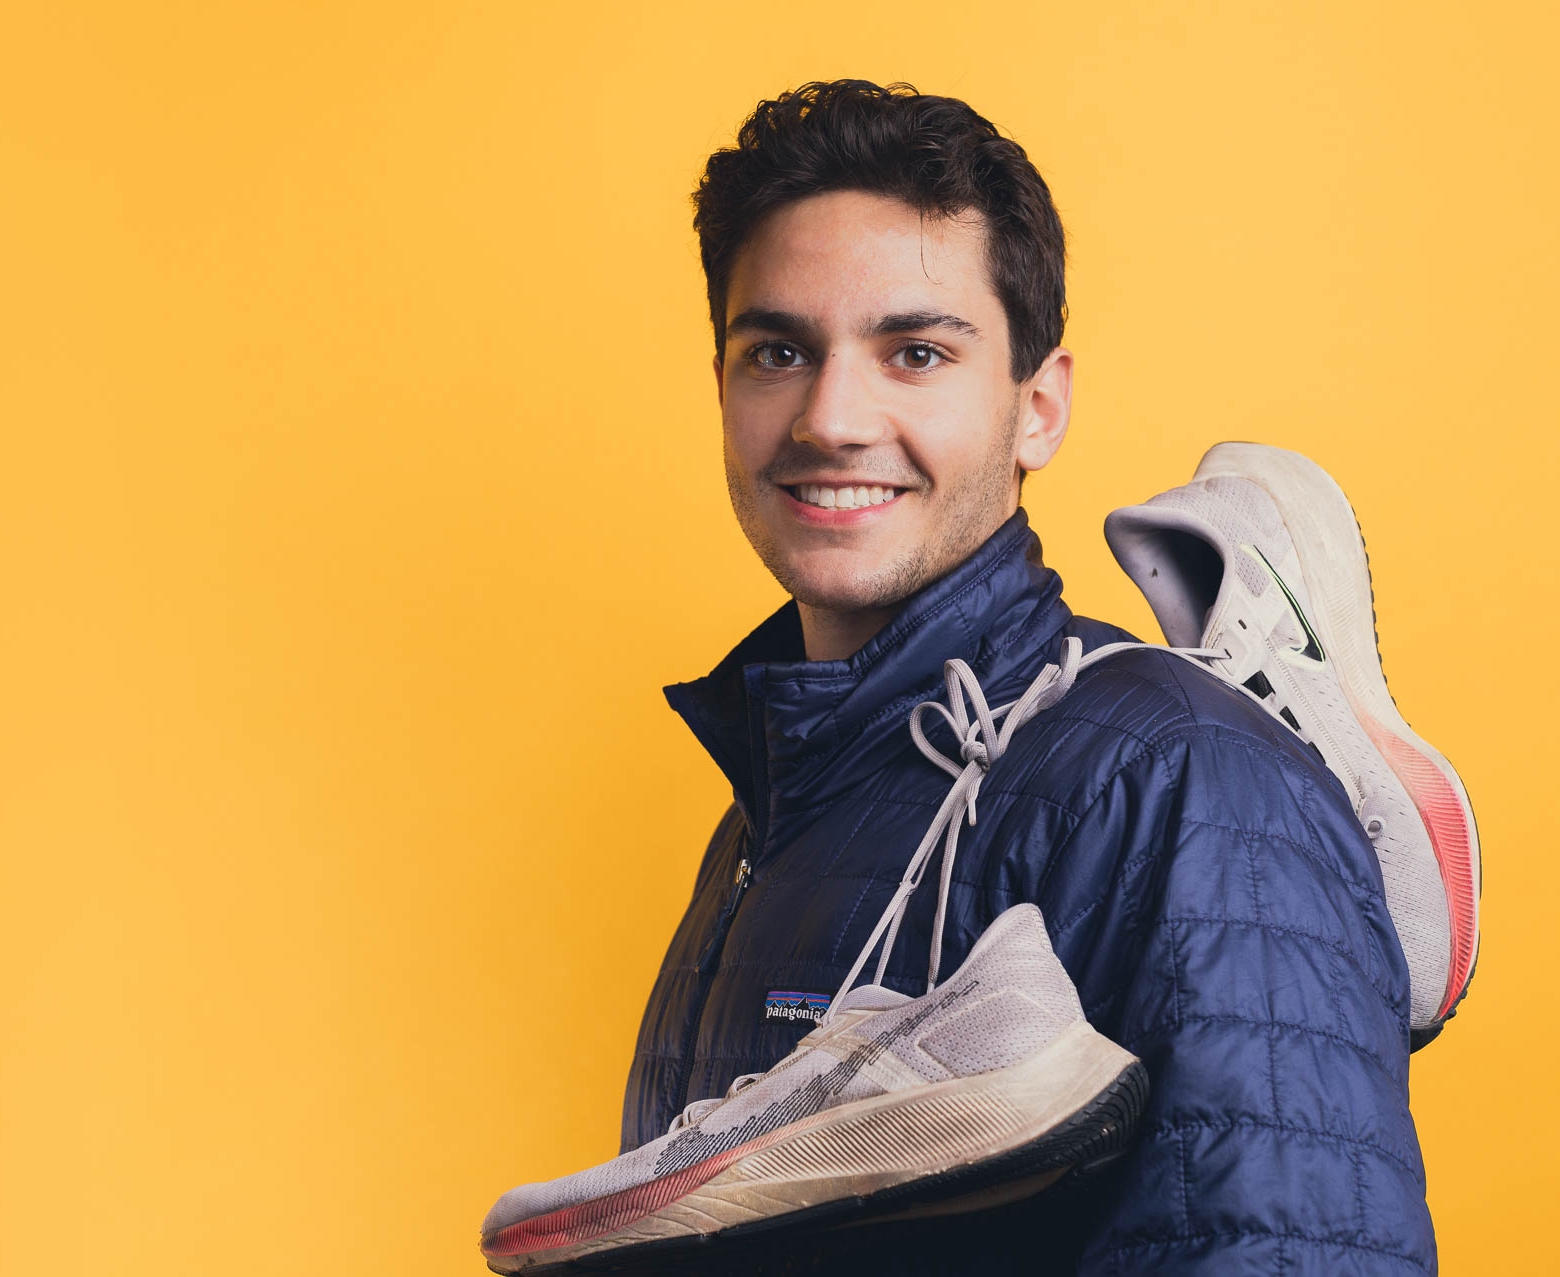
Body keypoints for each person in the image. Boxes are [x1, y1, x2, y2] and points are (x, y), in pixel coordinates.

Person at [491, 80, 1473, 1275]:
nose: (831, 417)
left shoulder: (1178, 780)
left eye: (915, 353)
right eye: (779, 351)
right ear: (722, 386)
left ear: (1037, 407)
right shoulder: (780, 809)